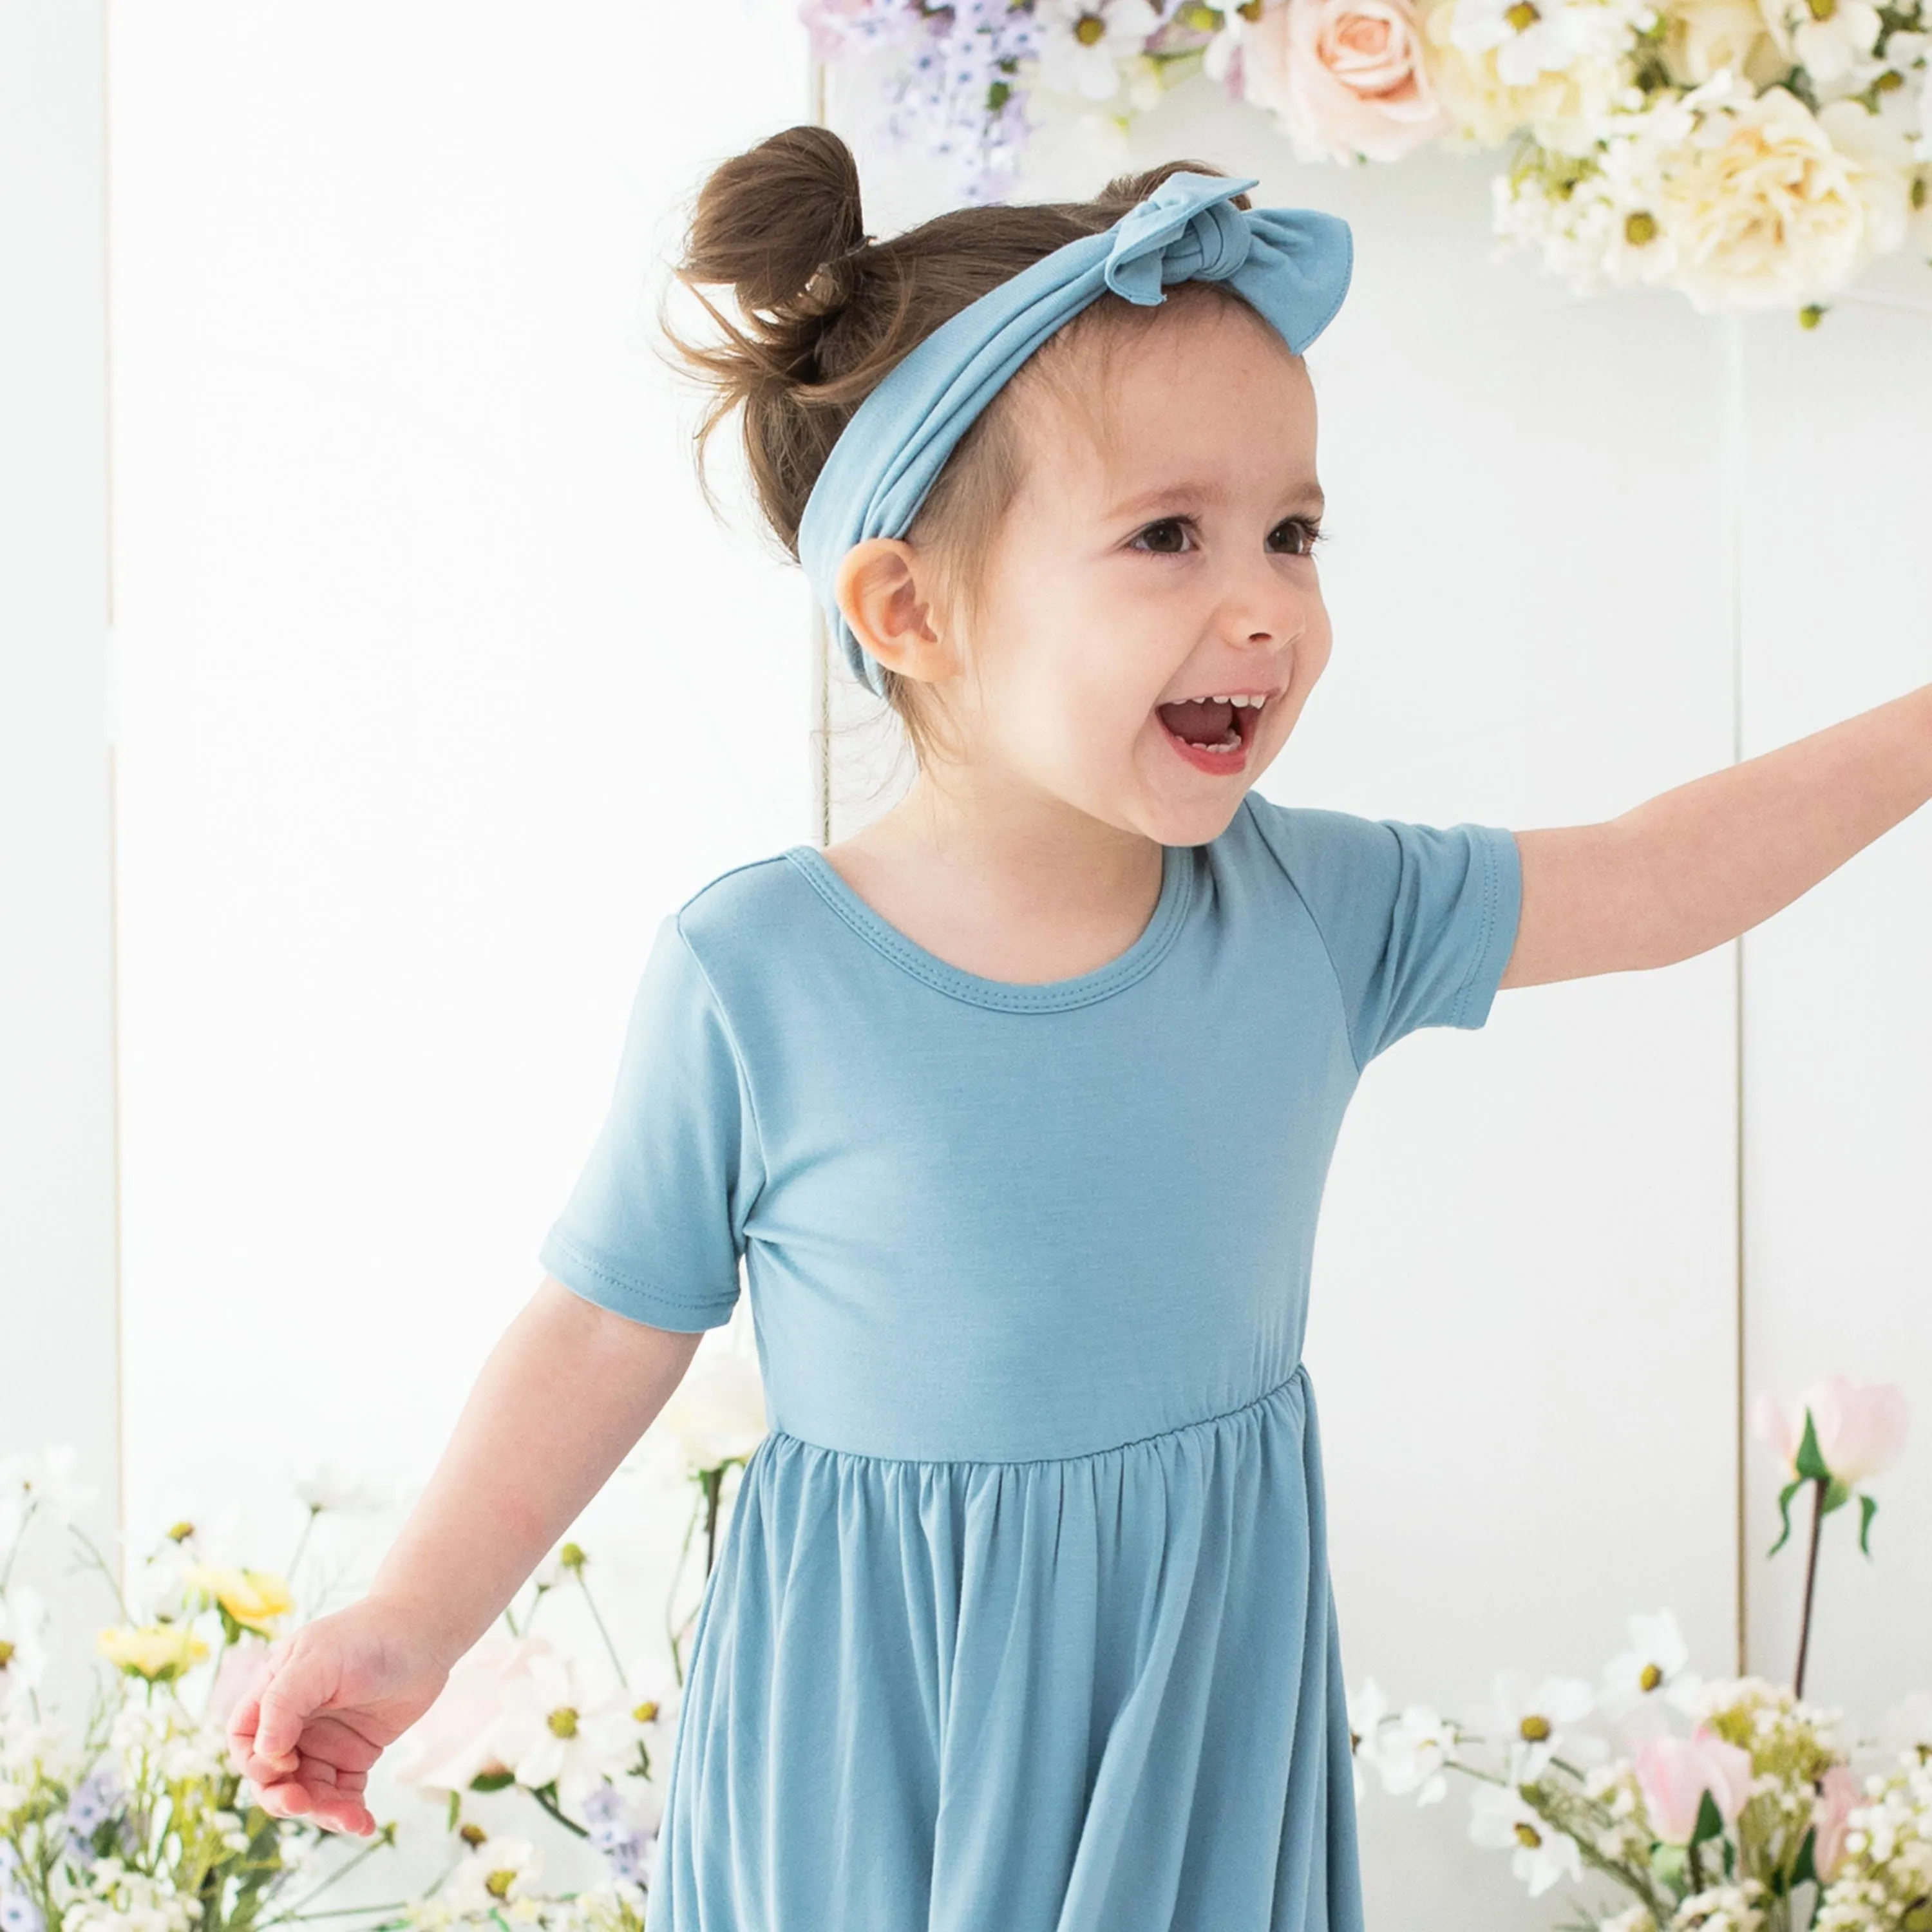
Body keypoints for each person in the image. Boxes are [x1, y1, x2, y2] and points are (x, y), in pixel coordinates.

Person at [223, 128, 1932, 1929]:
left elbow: (1662, 876)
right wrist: (410, 1622)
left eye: (1292, 531)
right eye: (1168, 537)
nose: (1265, 602)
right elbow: (597, 1328)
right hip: (880, 1714)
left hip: (1193, 1689)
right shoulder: (761, 973)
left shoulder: (1316, 915)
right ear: (913, 606)